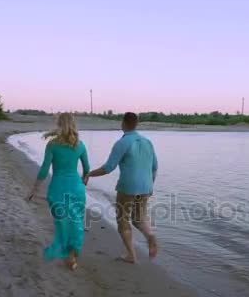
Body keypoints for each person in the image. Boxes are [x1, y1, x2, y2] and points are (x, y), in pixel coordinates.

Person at [86, 112, 158, 263]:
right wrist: (151, 186)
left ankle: (131, 255)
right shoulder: (148, 142)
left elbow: (108, 168)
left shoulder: (122, 142)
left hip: (128, 187)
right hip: (146, 186)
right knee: (138, 219)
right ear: (137, 124)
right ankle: (150, 235)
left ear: (123, 123)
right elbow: (154, 167)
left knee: (122, 220)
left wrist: (89, 174)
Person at [28, 113, 90, 271]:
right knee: (76, 222)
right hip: (77, 189)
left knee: (62, 223)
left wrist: (34, 189)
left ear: (58, 124)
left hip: (58, 189)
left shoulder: (52, 145)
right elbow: (87, 169)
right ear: (74, 125)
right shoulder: (80, 145)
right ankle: (72, 256)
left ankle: (68, 254)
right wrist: (83, 182)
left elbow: (44, 169)